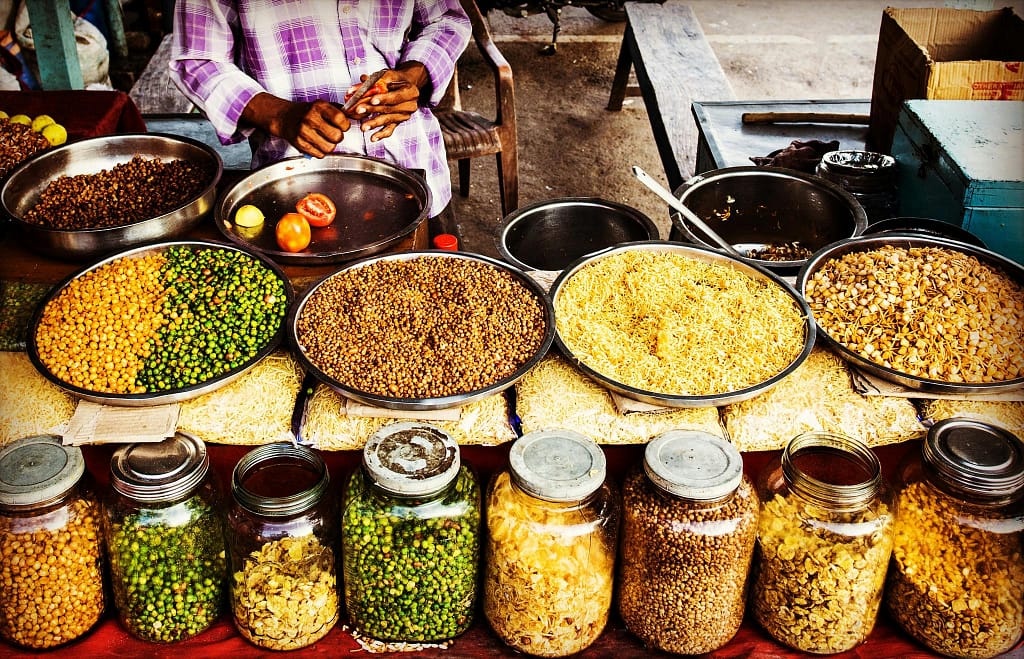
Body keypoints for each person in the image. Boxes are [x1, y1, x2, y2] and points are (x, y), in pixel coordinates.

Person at [168, 1, 472, 219]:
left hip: (413, 163)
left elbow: (446, 19)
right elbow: (198, 59)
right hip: (296, 190)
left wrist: (412, 75)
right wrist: (280, 115)